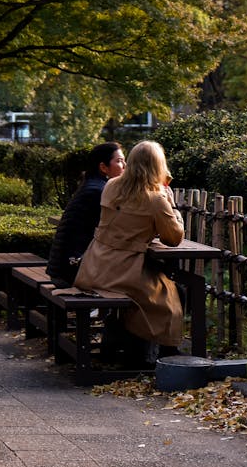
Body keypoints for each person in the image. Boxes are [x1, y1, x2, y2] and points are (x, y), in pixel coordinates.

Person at [74, 139, 185, 364]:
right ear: (158, 166)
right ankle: (158, 353)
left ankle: (124, 344)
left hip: (95, 265)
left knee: (160, 291)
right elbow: (173, 238)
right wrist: (172, 205)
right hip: (124, 270)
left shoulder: (112, 186)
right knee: (170, 295)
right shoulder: (155, 199)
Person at [47, 141, 125, 285]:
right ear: (103, 167)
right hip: (71, 271)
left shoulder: (93, 185)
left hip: (63, 268)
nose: (125, 166)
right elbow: (120, 228)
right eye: (119, 161)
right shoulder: (99, 192)